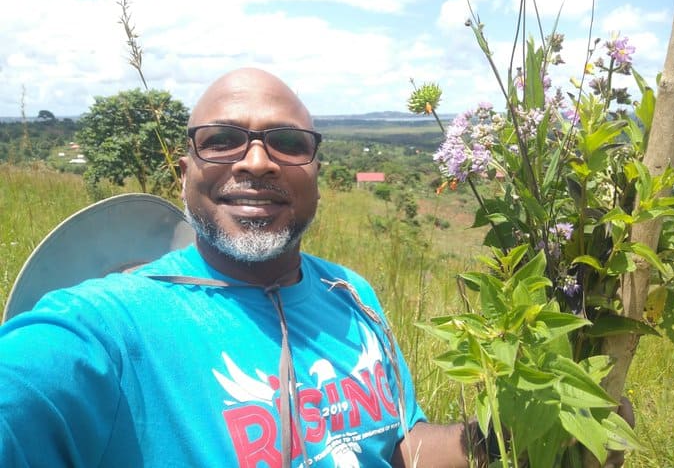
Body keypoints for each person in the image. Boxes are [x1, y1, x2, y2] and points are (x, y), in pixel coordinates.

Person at [0, 68, 627, 467]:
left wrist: (520, 438)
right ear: (183, 170)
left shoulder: (351, 292)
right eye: (221, 139)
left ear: (317, 173)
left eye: (288, 143)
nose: (257, 161)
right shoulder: (101, 326)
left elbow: (399, 445)